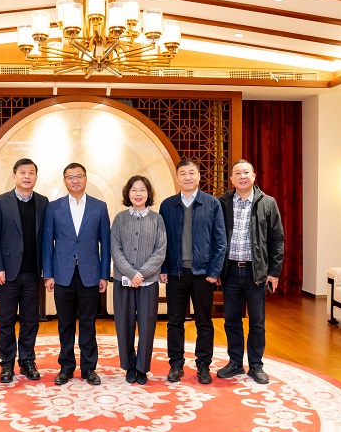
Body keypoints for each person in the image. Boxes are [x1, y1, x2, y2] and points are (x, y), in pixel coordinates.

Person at [159, 158, 227, 384]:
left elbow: (220, 241)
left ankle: (203, 365)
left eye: (191, 173)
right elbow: (162, 241)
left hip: (203, 274)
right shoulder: (167, 205)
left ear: (199, 176)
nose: (187, 177)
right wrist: (164, 267)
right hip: (176, 273)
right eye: (183, 173)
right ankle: (176, 364)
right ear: (177, 178)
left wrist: (214, 271)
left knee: (204, 321)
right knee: (174, 321)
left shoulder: (212, 203)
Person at [217, 159, 285, 384]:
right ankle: (235, 362)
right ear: (231, 179)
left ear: (254, 176)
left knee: (257, 322)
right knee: (231, 320)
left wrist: (274, 271)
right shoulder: (224, 202)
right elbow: (216, 237)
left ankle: (256, 366)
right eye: (238, 173)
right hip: (230, 271)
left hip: (256, 272)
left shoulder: (268, 203)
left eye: (246, 172)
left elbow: (277, 239)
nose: (242, 176)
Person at [43, 162, 110, 386]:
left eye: (79, 176)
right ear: (65, 181)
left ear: (86, 179)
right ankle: (66, 367)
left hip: (90, 274)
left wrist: (104, 275)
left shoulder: (99, 207)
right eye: (70, 177)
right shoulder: (54, 207)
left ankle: (89, 368)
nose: (75, 180)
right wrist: (48, 274)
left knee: (89, 323)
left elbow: (105, 243)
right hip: (62, 273)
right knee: (65, 323)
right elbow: (47, 242)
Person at [0, 158, 49, 383]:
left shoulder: (43, 202)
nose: (27, 176)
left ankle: (27, 360)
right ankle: (6, 363)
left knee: (31, 320)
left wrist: (47, 271)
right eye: (22, 172)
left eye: (31, 172)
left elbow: (46, 238)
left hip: (33, 272)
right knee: (6, 320)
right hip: (7, 273)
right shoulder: (0, 202)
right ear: (14, 175)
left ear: (36, 177)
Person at [111, 175, 167, 385]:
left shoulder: (157, 220)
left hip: (148, 282)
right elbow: (115, 249)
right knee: (124, 325)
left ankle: (142, 368)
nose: (138, 194)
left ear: (148, 193)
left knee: (147, 326)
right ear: (128, 193)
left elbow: (160, 250)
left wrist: (141, 274)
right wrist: (130, 273)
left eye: (142, 190)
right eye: (134, 190)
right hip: (123, 281)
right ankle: (129, 366)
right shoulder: (120, 219)